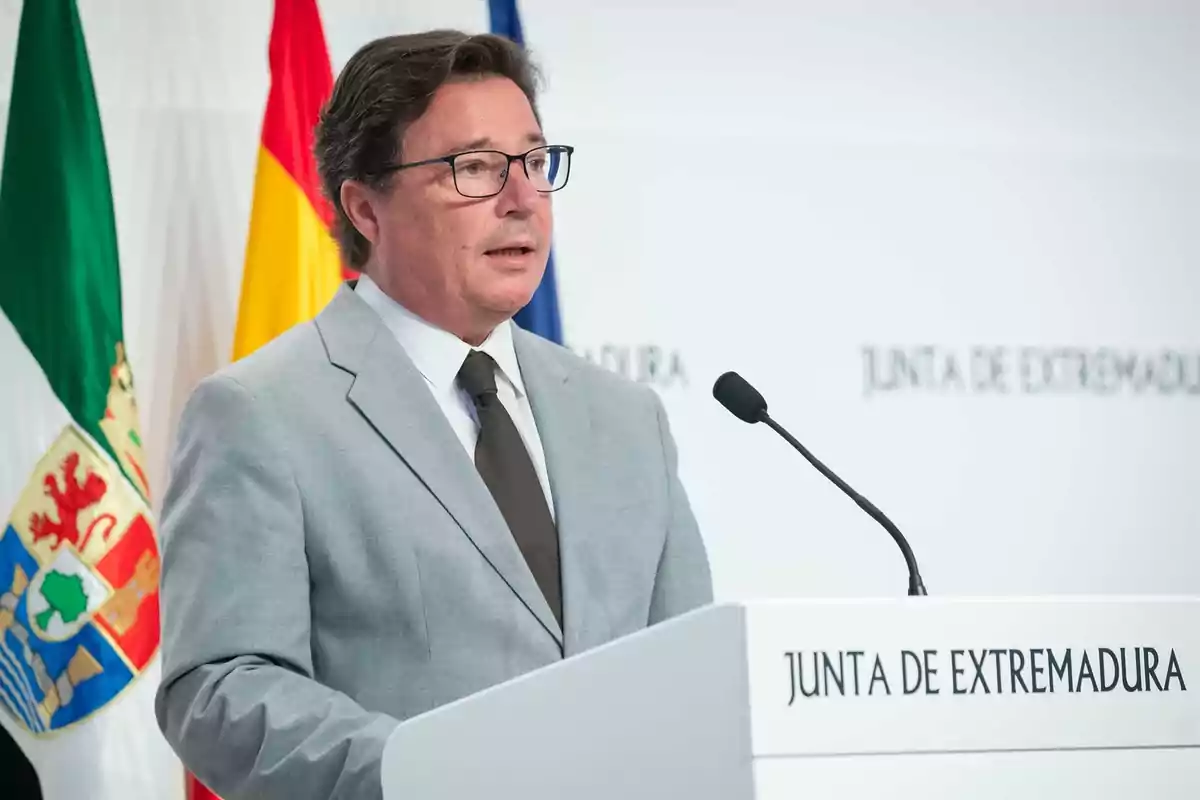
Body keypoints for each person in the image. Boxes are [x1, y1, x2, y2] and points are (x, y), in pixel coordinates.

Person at [154, 29, 713, 800]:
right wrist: (430, 771)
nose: (522, 201)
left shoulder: (626, 420)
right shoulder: (259, 415)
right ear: (366, 207)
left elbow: (692, 670)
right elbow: (219, 689)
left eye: (536, 163)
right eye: (476, 168)